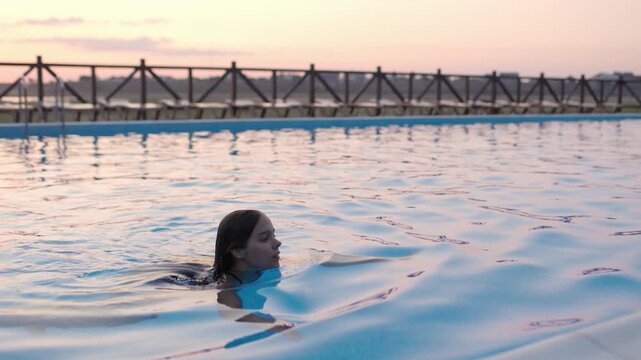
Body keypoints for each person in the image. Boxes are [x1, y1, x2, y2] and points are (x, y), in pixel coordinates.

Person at [212, 210, 282, 305]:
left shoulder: (257, 265)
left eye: (273, 235)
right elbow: (231, 317)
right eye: (265, 238)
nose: (278, 243)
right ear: (238, 251)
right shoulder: (228, 288)